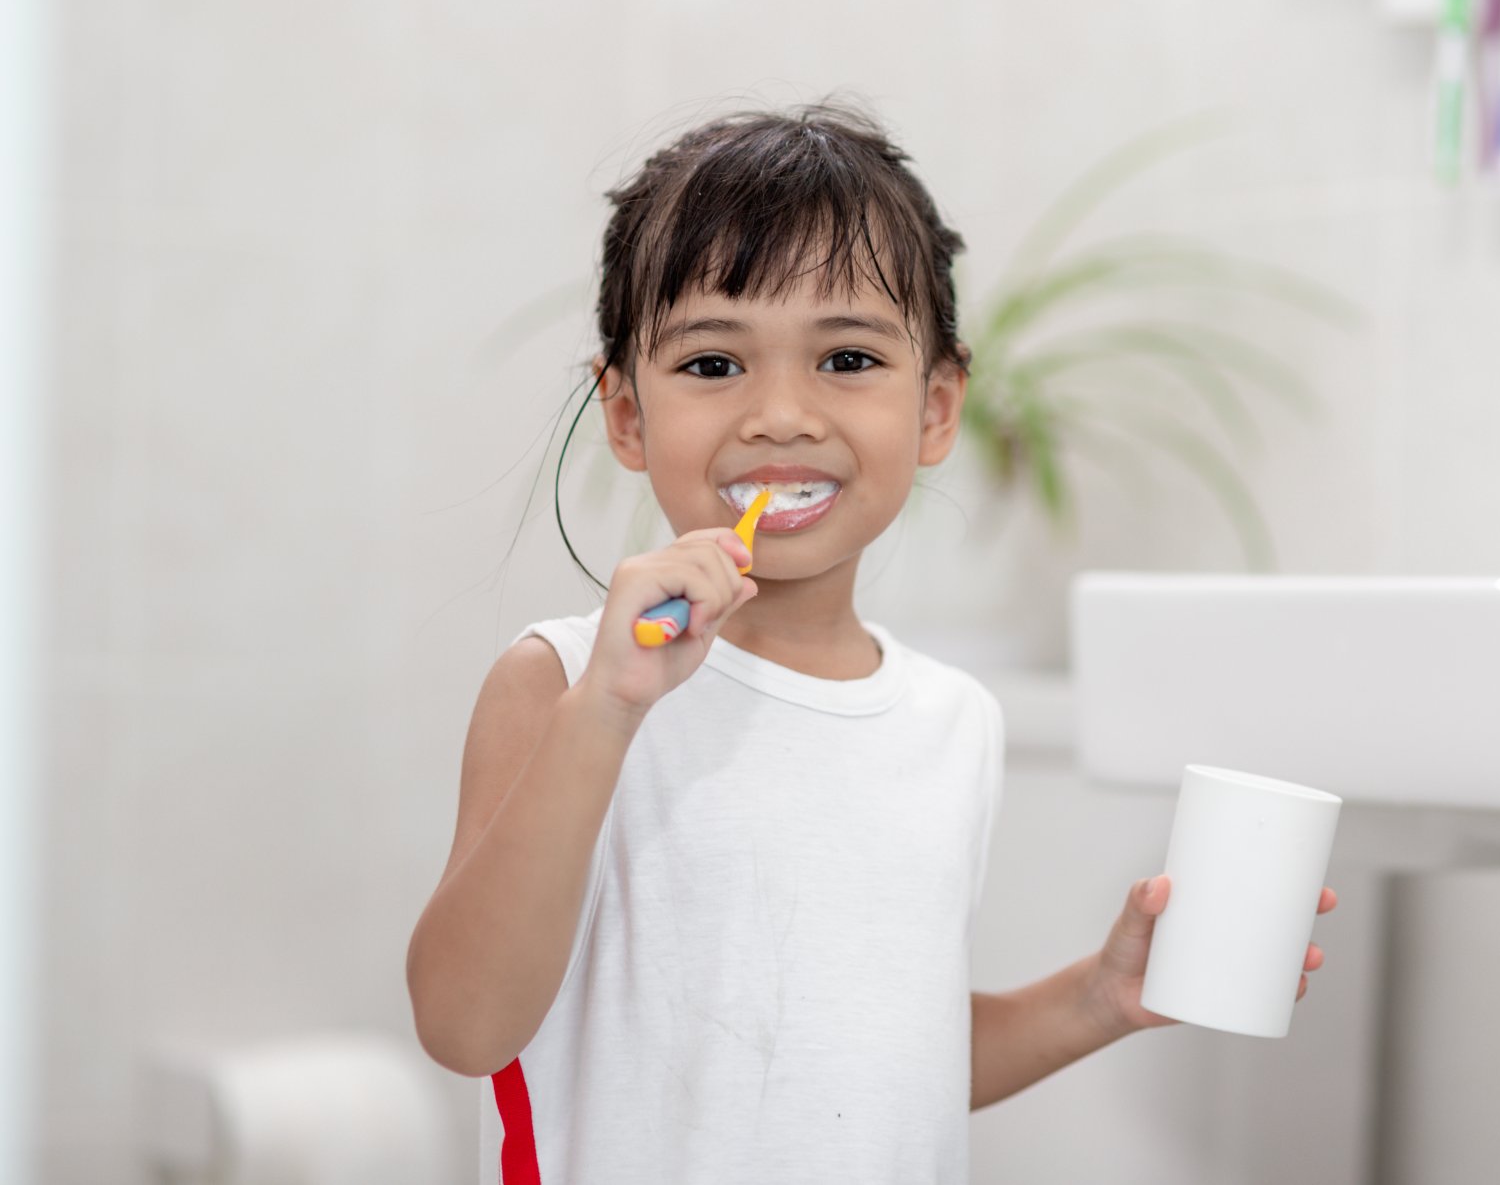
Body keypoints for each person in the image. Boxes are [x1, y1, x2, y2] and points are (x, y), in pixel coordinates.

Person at [404, 100, 1336, 1183]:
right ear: (624, 416)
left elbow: (878, 1062)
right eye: (713, 365)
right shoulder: (559, 681)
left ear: (936, 406)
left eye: (846, 358)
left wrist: (1097, 998)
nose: (782, 415)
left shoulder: (951, 721)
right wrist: (605, 712)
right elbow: (465, 1026)